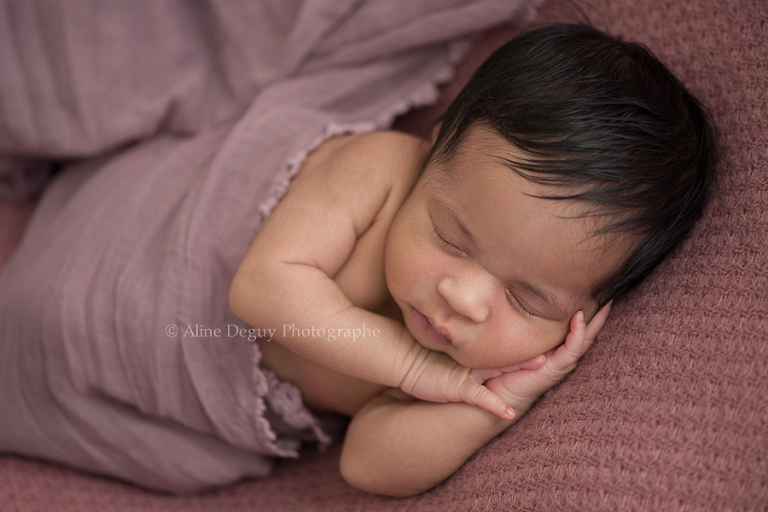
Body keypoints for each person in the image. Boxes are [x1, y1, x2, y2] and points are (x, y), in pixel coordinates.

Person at [228, 23, 716, 496]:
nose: (463, 299)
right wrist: (410, 368)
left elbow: (368, 465)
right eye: (451, 239)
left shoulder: (467, 365)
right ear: (435, 151)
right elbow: (262, 286)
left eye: (526, 301)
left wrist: (498, 401)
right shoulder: (382, 171)